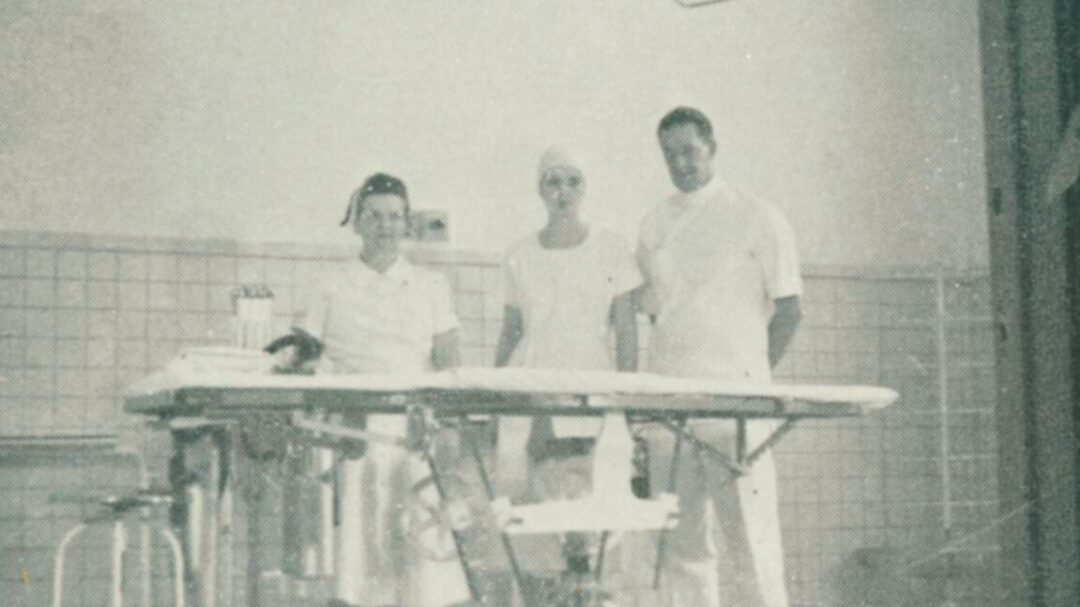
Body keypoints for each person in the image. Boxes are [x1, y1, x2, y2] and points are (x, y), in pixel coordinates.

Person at [637, 107, 802, 607]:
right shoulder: (655, 222)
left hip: (736, 409)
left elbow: (791, 310)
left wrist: (751, 378)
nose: (680, 163)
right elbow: (657, 315)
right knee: (681, 551)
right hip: (671, 406)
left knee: (753, 547)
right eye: (670, 155)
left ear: (712, 147)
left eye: (689, 151)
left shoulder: (756, 214)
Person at [297, 172, 470, 607]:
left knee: (424, 565)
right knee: (361, 559)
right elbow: (302, 356)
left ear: (407, 223)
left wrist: (448, 428)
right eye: (374, 216)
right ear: (356, 222)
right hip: (352, 432)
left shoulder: (431, 284)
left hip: (416, 430)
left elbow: (449, 361)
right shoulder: (330, 284)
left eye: (395, 216)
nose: (385, 226)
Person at [492, 146, 642, 594]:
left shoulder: (610, 245)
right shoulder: (519, 252)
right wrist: (496, 395)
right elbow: (511, 332)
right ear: (540, 189)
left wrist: (625, 400)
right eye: (553, 182)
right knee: (531, 514)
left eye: (573, 181)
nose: (564, 192)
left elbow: (626, 331)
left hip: (590, 390)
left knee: (590, 517)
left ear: (585, 187)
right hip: (531, 388)